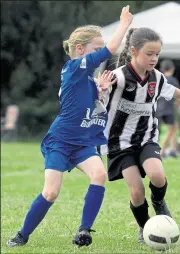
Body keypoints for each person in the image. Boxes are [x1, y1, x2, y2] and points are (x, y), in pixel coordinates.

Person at [7, 6, 133, 248]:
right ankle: (22, 235)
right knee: (51, 193)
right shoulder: (75, 68)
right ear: (80, 49)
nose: (101, 53)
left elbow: (88, 103)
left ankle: (84, 230)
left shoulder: (88, 78)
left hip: (83, 141)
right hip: (62, 140)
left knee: (99, 175)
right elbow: (111, 49)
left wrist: (101, 91)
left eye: (99, 48)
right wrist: (124, 25)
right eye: (96, 48)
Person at [99, 27, 180, 244]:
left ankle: (159, 203)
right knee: (137, 190)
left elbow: (172, 91)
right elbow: (97, 98)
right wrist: (101, 90)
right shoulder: (119, 77)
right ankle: (144, 227)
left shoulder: (157, 78)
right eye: (149, 54)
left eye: (157, 54)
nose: (154, 59)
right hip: (119, 143)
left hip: (146, 137)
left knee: (158, 176)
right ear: (134, 51)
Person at [156, 59, 180, 158]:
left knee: (174, 127)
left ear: (162, 69)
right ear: (173, 69)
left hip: (157, 108)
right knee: (171, 129)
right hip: (168, 109)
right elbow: (178, 96)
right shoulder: (173, 80)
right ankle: (161, 151)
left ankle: (173, 149)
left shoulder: (159, 79)